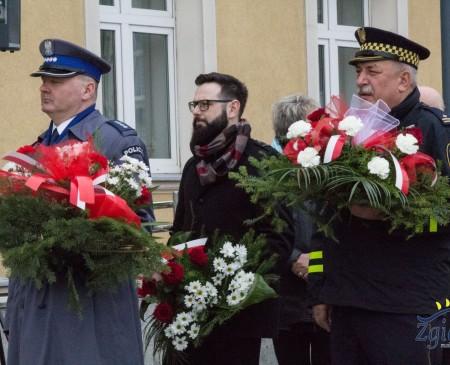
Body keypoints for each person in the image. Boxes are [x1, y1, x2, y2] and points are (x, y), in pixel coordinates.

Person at [308, 27, 450, 365]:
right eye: (358, 71)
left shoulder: (432, 130)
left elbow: (443, 214)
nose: (360, 80)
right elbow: (324, 219)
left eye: (372, 71)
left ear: (403, 80)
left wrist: (390, 212)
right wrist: (322, 290)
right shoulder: (346, 134)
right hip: (349, 299)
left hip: (407, 302)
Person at [5, 39, 151, 365]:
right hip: (36, 307)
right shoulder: (35, 149)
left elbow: (139, 228)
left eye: (56, 80)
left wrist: (72, 237)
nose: (45, 87)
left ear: (87, 90)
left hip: (88, 309)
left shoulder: (114, 141)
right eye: (44, 80)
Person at [172, 72, 293, 365]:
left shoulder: (262, 163)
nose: (197, 113)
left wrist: (232, 284)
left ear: (233, 108)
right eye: (195, 105)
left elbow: (279, 237)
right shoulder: (194, 166)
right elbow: (179, 231)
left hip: (238, 317)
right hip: (188, 310)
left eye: (205, 105)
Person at [271, 94, 330, 365]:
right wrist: (297, 259)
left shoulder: (328, 170)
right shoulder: (271, 173)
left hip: (313, 291)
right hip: (296, 295)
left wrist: (297, 259)